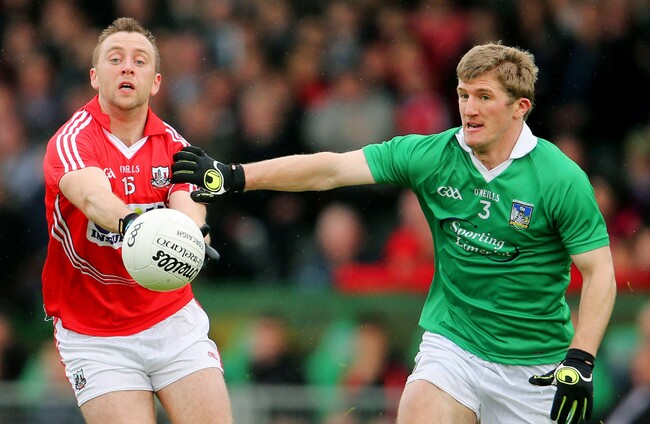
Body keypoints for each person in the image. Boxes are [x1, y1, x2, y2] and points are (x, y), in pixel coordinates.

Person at [173, 41, 617, 424]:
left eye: (485, 96)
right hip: (454, 345)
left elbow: (600, 274)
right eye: (463, 94)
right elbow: (332, 169)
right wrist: (235, 175)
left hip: (534, 365)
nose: (469, 108)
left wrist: (581, 358)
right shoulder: (432, 155)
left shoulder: (561, 178)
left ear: (521, 107)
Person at [42, 17, 233, 423]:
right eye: (115, 59)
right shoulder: (72, 140)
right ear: (95, 77)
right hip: (95, 333)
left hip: (171, 318)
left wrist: (193, 236)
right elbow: (93, 197)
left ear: (156, 81)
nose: (127, 67)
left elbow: (189, 203)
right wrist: (135, 228)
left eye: (140, 61)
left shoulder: (176, 146)